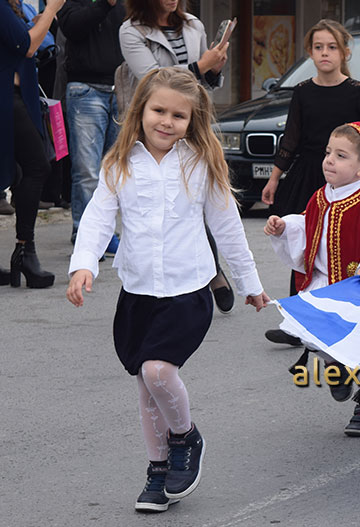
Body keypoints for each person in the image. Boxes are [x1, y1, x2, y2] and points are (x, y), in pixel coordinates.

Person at [66, 68, 271, 513]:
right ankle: (158, 472)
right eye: (159, 111)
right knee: (146, 386)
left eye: (179, 115)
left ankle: (185, 437)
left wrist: (250, 283)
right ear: (140, 110)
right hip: (138, 293)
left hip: (188, 291)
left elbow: (227, 227)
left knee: (158, 372)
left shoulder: (201, 163)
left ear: (191, 119)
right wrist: (83, 267)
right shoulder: (118, 164)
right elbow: (99, 218)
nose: (167, 121)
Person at [265, 122, 360, 437]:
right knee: (315, 333)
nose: (329, 160)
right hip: (326, 284)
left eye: (340, 156)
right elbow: (308, 223)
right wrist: (285, 226)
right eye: (328, 152)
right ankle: (336, 367)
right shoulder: (320, 197)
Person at [260, 19, 360, 345]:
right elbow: (290, 139)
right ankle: (297, 319)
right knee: (304, 245)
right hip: (308, 175)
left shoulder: (358, 91)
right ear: (310, 52)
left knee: (344, 248)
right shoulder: (303, 92)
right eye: (318, 47)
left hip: (348, 178)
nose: (325, 53)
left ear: (344, 52)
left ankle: (344, 315)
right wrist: (275, 177)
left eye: (332, 47)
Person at [120, 0, 237, 312]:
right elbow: (151, 80)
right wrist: (200, 66)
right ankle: (167, 276)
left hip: (190, 124)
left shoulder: (193, 25)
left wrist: (214, 69)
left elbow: (200, 87)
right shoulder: (131, 31)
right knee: (163, 204)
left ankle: (210, 273)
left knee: (196, 200)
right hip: (153, 127)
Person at [0, 0, 64, 289]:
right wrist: (51, 11)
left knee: (21, 170)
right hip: (7, 98)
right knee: (36, 166)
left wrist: (40, 20)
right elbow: (25, 46)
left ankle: (24, 252)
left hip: (15, 95)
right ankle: (25, 252)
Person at [59, 0, 126, 247]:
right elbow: (71, 27)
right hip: (86, 89)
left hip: (121, 89)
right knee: (87, 170)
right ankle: (86, 235)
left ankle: (107, 232)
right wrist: (104, 5)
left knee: (114, 170)